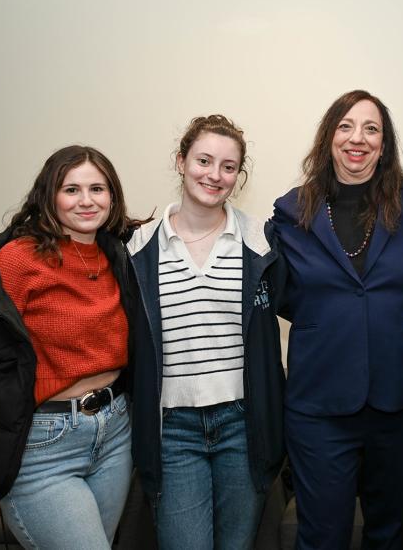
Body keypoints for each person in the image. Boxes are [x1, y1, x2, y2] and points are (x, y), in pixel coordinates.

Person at [0, 145, 141, 549]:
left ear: (113, 196)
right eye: (71, 189)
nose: (86, 201)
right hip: (44, 445)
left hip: (114, 435)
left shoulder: (117, 254)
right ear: (49, 195)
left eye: (97, 189)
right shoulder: (19, 260)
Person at [272, 89, 403, 549]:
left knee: (392, 535)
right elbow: (283, 295)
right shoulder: (291, 212)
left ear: (384, 144)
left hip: (397, 402)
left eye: (371, 129)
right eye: (346, 126)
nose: (358, 138)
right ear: (328, 138)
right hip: (319, 407)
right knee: (322, 537)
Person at [127, 114, 285, 550]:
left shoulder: (261, 242)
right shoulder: (139, 247)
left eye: (228, 166)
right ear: (181, 162)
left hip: (243, 425)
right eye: (203, 160)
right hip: (173, 431)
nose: (214, 175)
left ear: (239, 176)